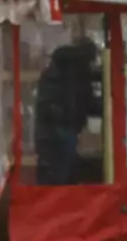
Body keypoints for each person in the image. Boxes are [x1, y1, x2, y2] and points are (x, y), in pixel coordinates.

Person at [35, 38, 101, 185]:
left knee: (59, 170)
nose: (93, 63)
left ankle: (54, 199)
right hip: (61, 128)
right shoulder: (76, 72)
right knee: (61, 171)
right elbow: (82, 101)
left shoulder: (65, 68)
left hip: (55, 128)